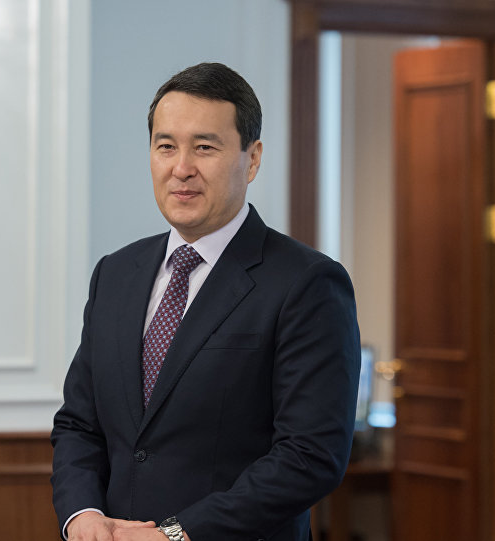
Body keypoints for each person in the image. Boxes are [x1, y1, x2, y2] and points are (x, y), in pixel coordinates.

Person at [51, 62, 360, 541]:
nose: (181, 168)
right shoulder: (115, 274)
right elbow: (79, 424)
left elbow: (310, 456)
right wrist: (83, 516)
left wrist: (175, 535)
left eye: (205, 147)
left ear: (252, 159)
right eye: (166, 146)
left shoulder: (308, 283)